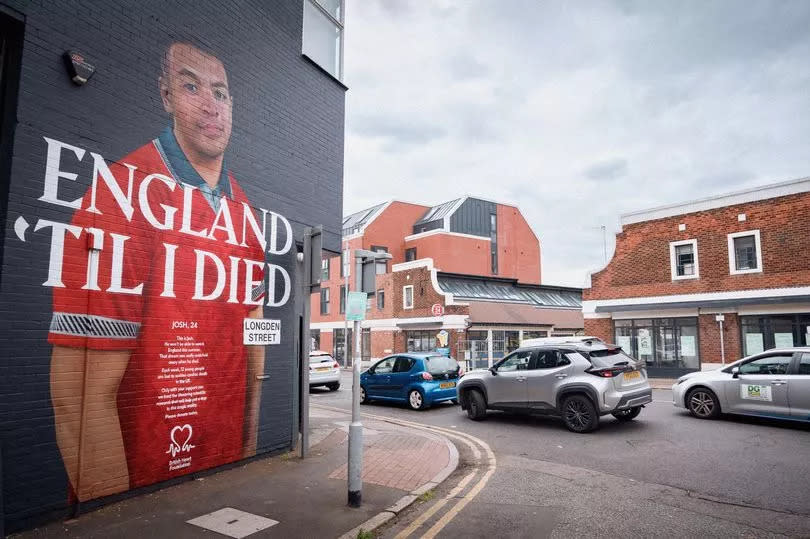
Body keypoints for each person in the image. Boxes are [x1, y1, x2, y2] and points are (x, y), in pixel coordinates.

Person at [49, 42, 266, 501]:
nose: (210, 106)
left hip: (228, 477)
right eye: (191, 86)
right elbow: (80, 399)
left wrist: (249, 447)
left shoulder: (244, 210)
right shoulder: (117, 197)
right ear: (165, 96)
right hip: (146, 493)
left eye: (221, 93)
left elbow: (253, 336)